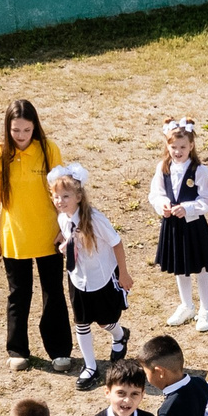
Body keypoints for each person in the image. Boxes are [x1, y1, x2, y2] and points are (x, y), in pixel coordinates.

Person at [0, 99, 73, 371]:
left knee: (53, 292)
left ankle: (59, 350)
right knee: (18, 294)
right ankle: (18, 349)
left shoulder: (49, 150)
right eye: (15, 130)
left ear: (35, 127)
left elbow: (63, 191)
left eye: (26, 130)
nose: (21, 136)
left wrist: (63, 227)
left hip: (49, 235)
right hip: (14, 237)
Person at [52, 163, 133, 391]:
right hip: (78, 277)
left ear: (78, 196)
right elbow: (71, 238)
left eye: (65, 196)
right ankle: (90, 366)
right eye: (56, 196)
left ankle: (119, 334)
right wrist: (66, 245)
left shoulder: (95, 219)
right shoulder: (63, 219)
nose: (60, 201)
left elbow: (116, 243)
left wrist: (123, 273)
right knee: (81, 322)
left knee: (104, 320)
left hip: (101, 277)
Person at [150, 117, 208, 333]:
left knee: (199, 268)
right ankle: (186, 305)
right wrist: (162, 204)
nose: (178, 151)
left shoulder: (199, 171)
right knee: (180, 268)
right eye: (174, 147)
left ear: (191, 146)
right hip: (173, 226)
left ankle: (205, 309)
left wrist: (188, 208)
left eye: (183, 147)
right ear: (167, 146)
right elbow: (156, 193)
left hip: (193, 226)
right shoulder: (163, 167)